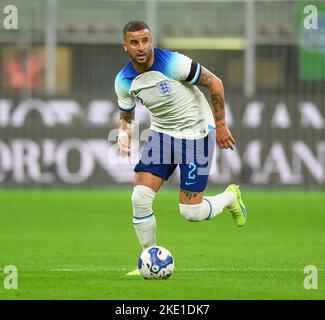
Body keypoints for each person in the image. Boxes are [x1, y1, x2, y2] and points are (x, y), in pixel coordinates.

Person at [114, 21, 247, 276]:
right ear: (125, 46)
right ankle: (148, 260)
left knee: (191, 212)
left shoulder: (174, 63)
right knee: (139, 198)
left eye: (145, 40)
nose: (141, 47)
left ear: (151, 41)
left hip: (196, 133)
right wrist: (123, 133)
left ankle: (231, 197)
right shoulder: (123, 80)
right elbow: (126, 113)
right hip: (162, 134)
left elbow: (215, 83)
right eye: (134, 42)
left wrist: (220, 125)